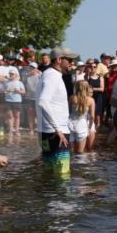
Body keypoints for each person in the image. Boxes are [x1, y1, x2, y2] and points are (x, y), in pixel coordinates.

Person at [37, 47, 75, 175]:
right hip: (57, 133)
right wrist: (57, 128)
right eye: (69, 60)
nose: (72, 63)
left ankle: (48, 195)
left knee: (49, 173)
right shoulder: (53, 76)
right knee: (62, 174)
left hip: (47, 131)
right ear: (59, 60)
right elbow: (43, 101)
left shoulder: (47, 74)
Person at [68, 80, 96, 153]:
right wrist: (89, 128)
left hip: (70, 124)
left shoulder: (72, 98)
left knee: (72, 151)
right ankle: (80, 164)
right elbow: (92, 116)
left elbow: (68, 111)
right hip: (81, 125)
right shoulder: (90, 100)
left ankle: (71, 163)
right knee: (80, 152)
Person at [2, 70, 25, 134]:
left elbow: (24, 92)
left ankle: (17, 130)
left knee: (17, 116)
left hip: (17, 101)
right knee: (10, 116)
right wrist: (6, 91)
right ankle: (10, 129)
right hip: (8, 101)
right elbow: (3, 91)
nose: (11, 75)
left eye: (12, 74)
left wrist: (18, 91)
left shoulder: (19, 83)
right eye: (10, 74)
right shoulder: (6, 83)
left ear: (16, 75)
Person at [23, 62, 40, 133]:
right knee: (30, 114)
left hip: (38, 98)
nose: (31, 69)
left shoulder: (40, 76)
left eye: (33, 68)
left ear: (36, 68)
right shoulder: (26, 76)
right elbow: (23, 84)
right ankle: (31, 129)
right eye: (30, 67)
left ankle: (39, 129)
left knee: (39, 114)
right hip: (29, 98)